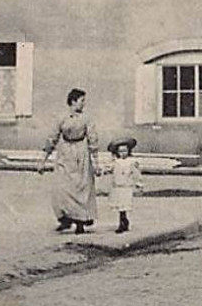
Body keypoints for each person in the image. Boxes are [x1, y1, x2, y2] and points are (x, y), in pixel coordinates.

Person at [43, 87, 98, 235]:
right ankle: (65, 219)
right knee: (62, 187)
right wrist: (42, 161)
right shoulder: (61, 117)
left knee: (81, 187)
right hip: (65, 152)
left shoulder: (87, 119)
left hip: (81, 152)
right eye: (81, 101)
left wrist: (96, 162)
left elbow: (93, 139)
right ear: (73, 101)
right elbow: (52, 137)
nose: (83, 104)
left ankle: (81, 222)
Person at [107, 136, 144, 234]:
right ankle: (123, 221)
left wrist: (138, 183)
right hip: (117, 186)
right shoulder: (115, 162)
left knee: (124, 205)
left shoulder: (131, 162)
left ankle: (122, 223)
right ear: (117, 152)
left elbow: (136, 173)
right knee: (119, 206)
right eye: (120, 151)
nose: (123, 153)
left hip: (126, 187)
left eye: (125, 151)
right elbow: (108, 168)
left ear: (129, 151)